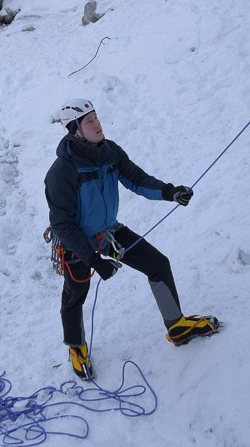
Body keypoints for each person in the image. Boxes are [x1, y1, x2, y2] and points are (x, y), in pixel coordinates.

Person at [44, 98, 219, 380]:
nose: (97, 124)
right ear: (75, 130)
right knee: (75, 294)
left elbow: (136, 179)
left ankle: (177, 326)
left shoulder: (109, 151)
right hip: (76, 243)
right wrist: (94, 260)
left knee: (157, 265)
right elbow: (62, 223)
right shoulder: (62, 172)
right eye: (89, 121)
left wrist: (169, 192)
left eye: (96, 117)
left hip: (109, 233)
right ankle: (76, 347)